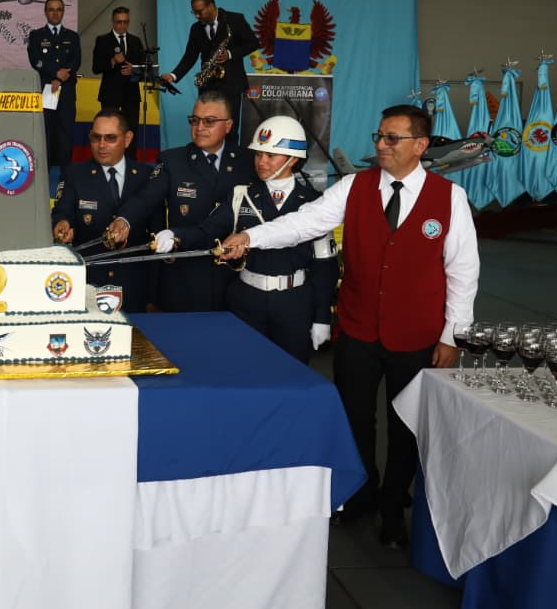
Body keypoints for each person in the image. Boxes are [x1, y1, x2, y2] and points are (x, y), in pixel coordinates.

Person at [218, 104, 477, 549]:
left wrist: (452, 335)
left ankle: (395, 503)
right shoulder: (354, 187)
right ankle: (361, 492)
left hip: (416, 335)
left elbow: (463, 271)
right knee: (356, 417)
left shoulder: (449, 198)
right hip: (357, 328)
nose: (380, 144)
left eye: (392, 138)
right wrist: (250, 237)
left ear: (420, 145)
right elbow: (304, 223)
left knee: (407, 424)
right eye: (379, 135)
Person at [159, 115, 338, 362]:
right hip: (247, 301)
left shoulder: (314, 203)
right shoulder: (241, 196)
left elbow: (325, 265)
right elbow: (206, 230)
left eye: (270, 155)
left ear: (293, 159)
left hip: (293, 303)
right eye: (257, 154)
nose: (261, 162)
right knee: (244, 369)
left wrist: (321, 317)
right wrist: (175, 235)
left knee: (290, 373)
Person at [103, 90, 251, 312]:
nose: (200, 127)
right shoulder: (173, 161)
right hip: (185, 276)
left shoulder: (247, 162)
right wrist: (124, 220)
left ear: (228, 125)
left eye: (209, 121)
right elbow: (146, 197)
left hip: (233, 276)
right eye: (195, 120)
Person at [51, 110, 159, 313]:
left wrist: (154, 296)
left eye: (110, 138)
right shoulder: (75, 174)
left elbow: (155, 237)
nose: (101, 145)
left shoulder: (147, 177)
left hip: (134, 286)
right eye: (96, 137)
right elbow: (62, 212)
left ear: (127, 139)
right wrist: (62, 225)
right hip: (88, 285)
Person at [161, 0, 259, 146]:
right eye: (194, 13)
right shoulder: (196, 28)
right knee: (205, 128)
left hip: (231, 84)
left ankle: (230, 163)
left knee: (230, 129)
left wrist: (230, 54)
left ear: (211, 5)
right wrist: (173, 75)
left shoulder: (235, 20)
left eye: (199, 11)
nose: (197, 16)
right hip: (208, 86)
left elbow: (253, 43)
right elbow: (190, 56)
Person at [27, 0, 81, 173]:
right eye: (51, 9)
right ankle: (44, 174)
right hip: (45, 90)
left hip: (65, 92)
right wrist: (55, 73)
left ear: (63, 12)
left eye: (59, 9)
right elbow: (36, 61)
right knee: (45, 134)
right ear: (45, 12)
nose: (55, 13)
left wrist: (60, 78)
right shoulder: (36, 36)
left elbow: (76, 61)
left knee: (66, 134)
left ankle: (66, 178)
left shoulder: (72, 37)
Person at [92, 6, 145, 159]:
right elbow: (96, 68)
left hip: (131, 95)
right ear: (113, 22)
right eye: (119, 22)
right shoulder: (102, 40)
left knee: (131, 131)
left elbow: (144, 69)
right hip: (110, 95)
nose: (122, 26)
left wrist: (133, 70)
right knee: (109, 131)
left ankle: (130, 166)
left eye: (125, 22)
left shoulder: (136, 41)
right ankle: (109, 161)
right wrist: (113, 61)